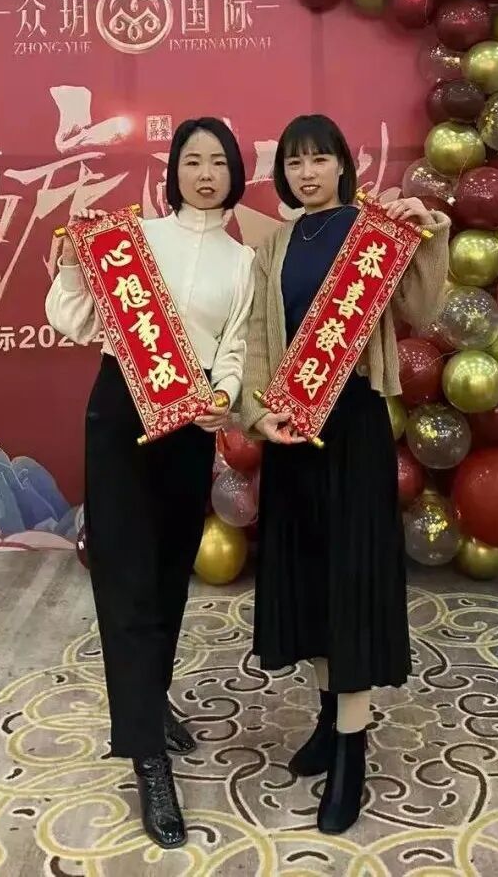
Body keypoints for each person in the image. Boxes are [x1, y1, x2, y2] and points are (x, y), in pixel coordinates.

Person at [46, 117, 254, 850]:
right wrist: (75, 266)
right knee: (126, 578)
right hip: (120, 418)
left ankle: (150, 698)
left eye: (217, 161)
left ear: (235, 173)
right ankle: (147, 758)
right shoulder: (133, 242)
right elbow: (74, 320)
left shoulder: (243, 262)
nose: (205, 173)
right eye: (192, 160)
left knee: (169, 575)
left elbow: (235, 348)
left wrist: (224, 395)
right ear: (173, 172)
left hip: (189, 425)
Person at [240, 114, 450, 835]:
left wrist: (429, 235)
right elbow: (259, 339)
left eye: (319, 159)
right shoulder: (273, 246)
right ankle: (329, 721)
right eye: (295, 162)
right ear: (284, 173)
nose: (307, 173)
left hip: (354, 426)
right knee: (312, 581)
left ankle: (353, 752)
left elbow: (423, 307)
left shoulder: (373, 234)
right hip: (292, 432)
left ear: (341, 165)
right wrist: (259, 414)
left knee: (352, 582)